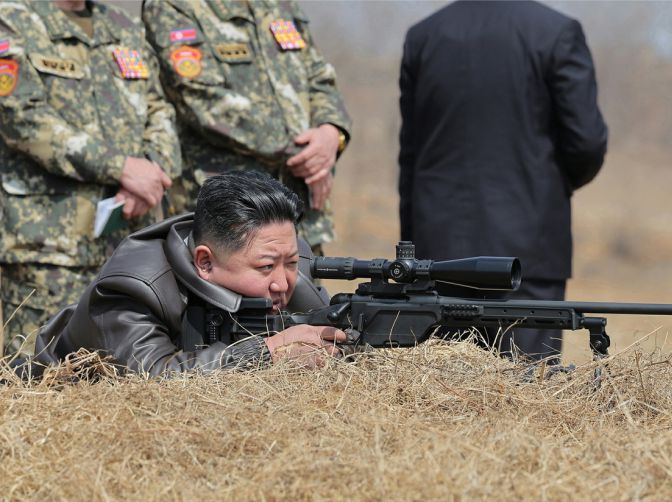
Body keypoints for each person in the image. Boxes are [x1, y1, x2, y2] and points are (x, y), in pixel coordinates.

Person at [398, 1, 608, 361]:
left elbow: (411, 155)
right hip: (528, 248)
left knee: (444, 396)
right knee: (528, 392)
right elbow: (586, 143)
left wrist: (412, 247)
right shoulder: (555, 32)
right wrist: (544, 190)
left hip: (439, 251)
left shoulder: (424, 36)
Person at [32, 170, 347, 376]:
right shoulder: (134, 288)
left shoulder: (283, 256)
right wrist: (266, 353)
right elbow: (154, 381)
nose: (282, 282)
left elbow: (332, 336)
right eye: (265, 268)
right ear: (205, 263)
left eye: (290, 263)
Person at [0, 0, 181, 357]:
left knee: (124, 369)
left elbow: (159, 107)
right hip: (52, 243)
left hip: (130, 239)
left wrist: (150, 170)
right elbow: (22, 118)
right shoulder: (12, 20)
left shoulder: (122, 26)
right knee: (39, 373)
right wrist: (122, 168)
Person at [141, 0, 351, 256]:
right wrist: (306, 151)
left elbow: (319, 77)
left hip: (300, 213)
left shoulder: (280, 5)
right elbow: (197, 95)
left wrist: (331, 133)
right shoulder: (174, 6)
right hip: (233, 222)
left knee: (307, 293)